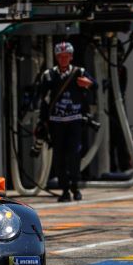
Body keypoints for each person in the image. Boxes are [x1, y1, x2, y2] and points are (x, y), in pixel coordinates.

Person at [36, 41, 97, 203]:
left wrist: (88, 84)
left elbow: (95, 85)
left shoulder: (79, 72)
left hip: (75, 120)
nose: (63, 59)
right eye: (60, 56)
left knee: (74, 154)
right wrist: (42, 121)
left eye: (66, 56)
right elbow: (42, 98)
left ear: (71, 57)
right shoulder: (49, 75)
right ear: (56, 58)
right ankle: (64, 190)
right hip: (56, 122)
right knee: (59, 156)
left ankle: (75, 186)